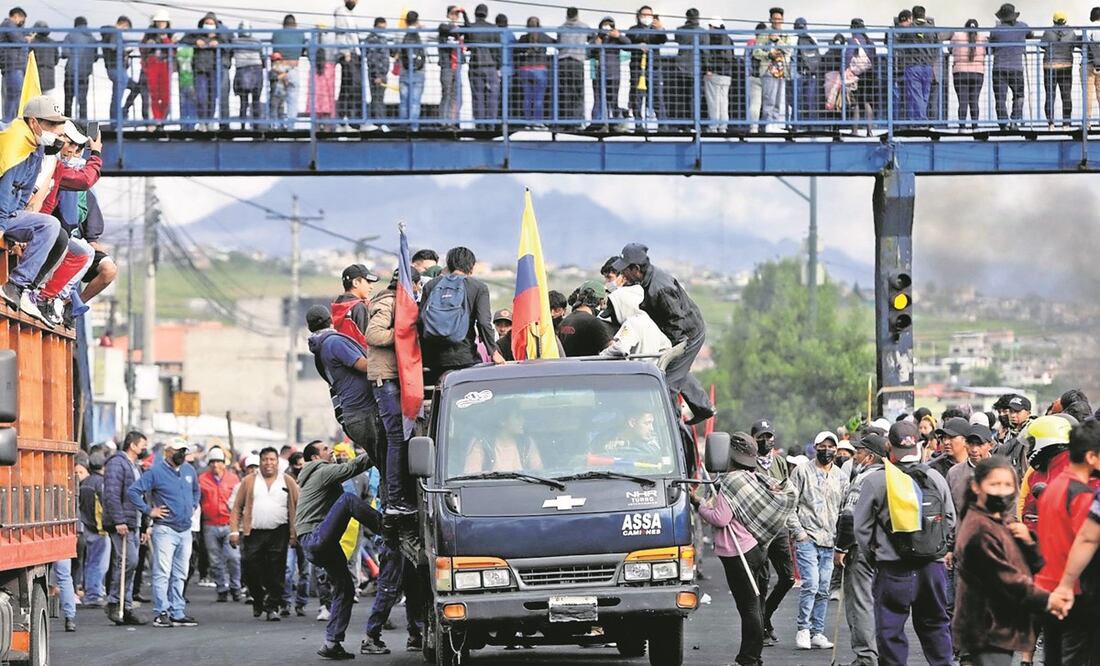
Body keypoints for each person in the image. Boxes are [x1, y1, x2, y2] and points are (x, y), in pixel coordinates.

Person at [854, 421, 955, 666]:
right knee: (936, 627)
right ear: (919, 446)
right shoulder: (935, 477)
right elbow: (950, 520)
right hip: (932, 568)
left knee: (890, 633)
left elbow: (861, 529)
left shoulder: (876, 481)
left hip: (893, 569)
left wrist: (874, 557)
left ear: (889, 446)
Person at [953, 456, 1058, 666]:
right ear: (976, 487)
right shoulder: (979, 529)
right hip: (986, 628)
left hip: (1002, 627)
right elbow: (1006, 579)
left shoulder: (1003, 522)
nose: (1002, 491)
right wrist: (1050, 600)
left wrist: (1028, 542)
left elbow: (1035, 564)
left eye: (1008, 485)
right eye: (994, 484)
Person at [295, 440, 382, 660]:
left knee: (345, 588)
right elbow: (352, 468)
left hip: (320, 543)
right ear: (315, 457)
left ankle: (331, 643)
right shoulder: (320, 471)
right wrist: (378, 448)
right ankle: (386, 527)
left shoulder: (314, 474)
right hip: (315, 538)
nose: (331, 451)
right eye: (325, 449)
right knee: (348, 500)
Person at [612, 243, 714, 424]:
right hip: (678, 331)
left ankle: (673, 428)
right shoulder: (647, 279)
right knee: (677, 370)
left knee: (668, 385)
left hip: (687, 335)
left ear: (636, 269)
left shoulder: (660, 288)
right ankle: (703, 406)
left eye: (625, 270)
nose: (622, 275)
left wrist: (669, 350)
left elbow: (677, 323)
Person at [693, 432, 768, 666]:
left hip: (737, 551)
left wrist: (701, 505)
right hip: (754, 546)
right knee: (754, 603)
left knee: (748, 606)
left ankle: (749, 657)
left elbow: (721, 518)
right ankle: (753, 656)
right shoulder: (751, 477)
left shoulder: (730, 482)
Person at [1035, 419, 1100, 665]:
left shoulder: (1054, 487)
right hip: (1073, 594)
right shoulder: (1082, 496)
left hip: (1048, 587)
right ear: (1092, 457)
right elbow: (1087, 541)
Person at [0, 95, 65, 323]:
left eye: (57, 124)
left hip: (8, 214)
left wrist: (18, 224)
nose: (57, 130)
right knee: (50, 224)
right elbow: (4, 189)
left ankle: (28, 291)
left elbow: (23, 195)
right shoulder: (15, 142)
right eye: (51, 124)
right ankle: (16, 285)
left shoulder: (36, 148)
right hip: (0, 214)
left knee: (59, 236)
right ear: (34, 122)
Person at [127, 438, 201, 629]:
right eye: (178, 451)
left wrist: (192, 505)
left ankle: (177, 612)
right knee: (162, 573)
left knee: (180, 574)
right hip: (165, 529)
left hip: (185, 529)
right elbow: (134, 491)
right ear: (167, 452)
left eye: (184, 451)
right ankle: (161, 612)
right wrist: (149, 510)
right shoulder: (155, 472)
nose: (181, 454)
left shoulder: (189, 470)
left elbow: (196, 491)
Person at [365, 267, 421, 515]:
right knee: (396, 439)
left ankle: (396, 497)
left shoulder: (393, 301)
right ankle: (395, 499)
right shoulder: (387, 302)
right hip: (385, 380)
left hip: (393, 379)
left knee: (399, 439)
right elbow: (373, 334)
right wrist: (403, 336)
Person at [788, 430, 848, 650]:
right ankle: (803, 629)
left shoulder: (841, 476)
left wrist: (842, 541)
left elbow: (843, 510)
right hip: (808, 537)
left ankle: (818, 632)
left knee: (823, 587)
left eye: (831, 446)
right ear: (815, 447)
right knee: (811, 584)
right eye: (822, 446)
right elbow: (789, 505)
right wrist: (799, 533)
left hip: (830, 540)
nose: (827, 450)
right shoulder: (802, 471)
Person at [835, 431, 888, 666]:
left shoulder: (863, 478)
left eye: (859, 453)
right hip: (886, 548)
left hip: (861, 547)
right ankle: (882, 652)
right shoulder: (892, 477)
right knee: (881, 602)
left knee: (860, 602)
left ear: (870, 457)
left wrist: (840, 548)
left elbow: (849, 517)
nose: (855, 457)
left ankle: (866, 656)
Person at [230, 446, 299, 622]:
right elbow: (237, 507)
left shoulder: (287, 481)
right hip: (253, 532)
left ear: (277, 462)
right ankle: (258, 598)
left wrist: (295, 533)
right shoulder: (249, 481)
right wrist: (234, 531)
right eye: (265, 460)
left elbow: (299, 507)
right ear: (260, 462)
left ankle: (272, 607)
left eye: (272, 460)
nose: (268, 463)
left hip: (279, 531)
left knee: (276, 570)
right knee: (250, 567)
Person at [306, 306, 381, 463]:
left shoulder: (320, 348)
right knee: (390, 466)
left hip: (354, 415)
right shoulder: (334, 342)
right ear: (331, 320)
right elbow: (366, 366)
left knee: (385, 467)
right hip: (365, 413)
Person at [418, 246, 503, 385]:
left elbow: (421, 320)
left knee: (439, 400)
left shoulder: (432, 285)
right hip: (464, 356)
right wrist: (493, 352)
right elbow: (483, 322)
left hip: (433, 359)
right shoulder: (478, 287)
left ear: (449, 264)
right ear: (471, 266)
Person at [751, 419, 796, 646]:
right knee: (762, 580)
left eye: (769, 436)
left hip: (779, 527)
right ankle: (760, 629)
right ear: (754, 440)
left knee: (788, 578)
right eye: (762, 437)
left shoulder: (779, 461)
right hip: (758, 530)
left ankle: (765, 616)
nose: (767, 440)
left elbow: (786, 489)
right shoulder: (747, 463)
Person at [102, 431, 149, 625]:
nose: (144, 448)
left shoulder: (134, 466)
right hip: (122, 522)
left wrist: (145, 525)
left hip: (134, 521)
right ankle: (115, 601)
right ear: (133, 445)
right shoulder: (117, 463)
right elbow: (111, 493)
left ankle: (125, 605)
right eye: (142, 445)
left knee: (131, 563)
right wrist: (119, 520)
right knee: (128, 561)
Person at [198, 446, 241, 602]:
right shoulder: (202, 479)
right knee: (215, 560)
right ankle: (221, 588)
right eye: (213, 462)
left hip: (229, 523)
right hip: (210, 524)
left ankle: (236, 587)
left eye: (219, 462)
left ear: (224, 463)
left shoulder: (233, 479)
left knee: (233, 557)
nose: (216, 465)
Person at [989, 3, 1033, 131]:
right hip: (1016, 68)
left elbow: (991, 44)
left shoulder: (996, 30)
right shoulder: (1022, 26)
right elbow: (1031, 34)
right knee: (1019, 95)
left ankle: (1003, 123)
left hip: (999, 68)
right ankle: (1015, 121)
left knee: (1000, 97)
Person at [600, 282, 668, 357]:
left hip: (637, 367)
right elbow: (667, 346)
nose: (612, 318)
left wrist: (603, 354)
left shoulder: (631, 323)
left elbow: (621, 348)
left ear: (622, 309)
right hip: (651, 367)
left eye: (613, 314)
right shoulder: (647, 321)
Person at [78, 450, 110, 608]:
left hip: (87, 527)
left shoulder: (85, 483)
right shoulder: (101, 483)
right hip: (100, 529)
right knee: (100, 564)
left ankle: (91, 592)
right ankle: (94, 595)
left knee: (90, 562)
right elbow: (103, 506)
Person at [464, 409, 543, 473]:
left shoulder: (527, 443)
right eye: (517, 417)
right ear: (502, 421)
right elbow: (471, 476)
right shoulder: (481, 443)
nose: (522, 420)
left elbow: (538, 474)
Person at [626, 6, 666, 132]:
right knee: (637, 96)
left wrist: (661, 29)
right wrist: (637, 46)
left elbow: (663, 40)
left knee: (657, 95)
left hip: (654, 67)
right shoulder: (633, 30)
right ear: (639, 16)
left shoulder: (656, 29)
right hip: (637, 68)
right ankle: (639, 124)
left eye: (650, 15)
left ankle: (663, 123)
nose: (647, 18)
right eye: (644, 15)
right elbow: (626, 45)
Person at [753, 8, 792, 132]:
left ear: (783, 20)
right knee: (769, 98)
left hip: (782, 70)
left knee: (778, 99)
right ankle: (768, 123)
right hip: (768, 70)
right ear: (770, 20)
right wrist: (768, 55)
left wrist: (777, 40)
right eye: (774, 19)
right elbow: (756, 52)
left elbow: (788, 50)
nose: (777, 22)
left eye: (779, 19)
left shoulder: (785, 35)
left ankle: (775, 123)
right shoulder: (764, 34)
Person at [588, 16, 629, 129]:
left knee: (613, 99)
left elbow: (628, 45)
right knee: (598, 99)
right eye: (604, 25)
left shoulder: (616, 39)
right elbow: (588, 52)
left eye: (609, 25)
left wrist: (619, 36)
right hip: (598, 74)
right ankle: (596, 122)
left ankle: (614, 122)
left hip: (614, 74)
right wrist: (597, 43)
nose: (607, 27)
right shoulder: (596, 38)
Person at [947, 423, 995, 515]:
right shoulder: (954, 473)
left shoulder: (1003, 472)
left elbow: (1012, 509)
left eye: (979, 444)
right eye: (971, 444)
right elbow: (949, 511)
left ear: (990, 445)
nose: (974, 449)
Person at [467, 4, 500, 131]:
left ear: (476, 14)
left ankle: (480, 124)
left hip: (476, 65)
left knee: (478, 96)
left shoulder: (471, 27)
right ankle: (491, 124)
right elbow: (498, 49)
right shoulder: (494, 28)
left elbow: (468, 44)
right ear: (486, 14)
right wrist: (498, 65)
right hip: (491, 66)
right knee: (492, 96)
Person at [515, 17, 553, 127]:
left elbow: (516, 50)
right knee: (539, 98)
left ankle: (527, 121)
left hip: (525, 70)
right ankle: (538, 121)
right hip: (540, 70)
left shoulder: (523, 38)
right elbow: (556, 42)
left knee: (527, 97)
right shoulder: (543, 36)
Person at [1041, 12, 1076, 129]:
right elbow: (1073, 45)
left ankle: (1051, 122)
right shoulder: (1071, 32)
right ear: (1065, 21)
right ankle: (1066, 122)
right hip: (1066, 66)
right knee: (1066, 95)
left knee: (1050, 95)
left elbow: (1042, 45)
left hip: (1049, 66)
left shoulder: (1047, 32)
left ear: (1054, 21)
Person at [557, 280, 611, 356]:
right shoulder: (593, 323)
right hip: (587, 367)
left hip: (567, 366)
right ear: (600, 301)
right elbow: (611, 350)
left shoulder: (565, 321)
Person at [270, 14, 305, 126]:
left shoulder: (276, 34)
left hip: (279, 68)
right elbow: (303, 50)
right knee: (293, 99)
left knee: (277, 100)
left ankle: (276, 126)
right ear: (295, 24)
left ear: (283, 24)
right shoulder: (301, 34)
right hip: (293, 68)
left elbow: (274, 49)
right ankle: (291, 126)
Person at [951, 19, 986, 131]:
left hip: (960, 73)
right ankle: (975, 127)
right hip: (977, 73)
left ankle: (962, 127)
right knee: (974, 100)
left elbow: (951, 49)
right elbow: (987, 50)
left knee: (962, 101)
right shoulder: (982, 38)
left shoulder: (957, 36)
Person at [557, 7, 589, 129]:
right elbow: (593, 38)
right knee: (578, 92)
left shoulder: (561, 28)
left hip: (563, 61)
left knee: (564, 92)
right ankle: (576, 121)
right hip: (577, 61)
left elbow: (559, 44)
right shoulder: (584, 27)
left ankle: (565, 121)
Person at [332, 263, 379, 346]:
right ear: (355, 283)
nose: (371, 287)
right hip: (358, 356)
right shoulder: (359, 307)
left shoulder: (337, 304)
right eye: (368, 282)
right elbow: (364, 340)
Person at [437, 7, 468, 129]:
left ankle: (452, 121)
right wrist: (456, 28)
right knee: (447, 93)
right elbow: (445, 28)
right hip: (447, 65)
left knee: (456, 95)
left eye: (457, 14)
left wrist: (464, 13)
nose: (455, 16)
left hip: (458, 65)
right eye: (453, 14)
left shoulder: (460, 29)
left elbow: (469, 27)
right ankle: (443, 122)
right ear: (448, 15)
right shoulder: (444, 27)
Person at [141, 11, 174, 124]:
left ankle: (162, 119)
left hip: (165, 65)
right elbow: (142, 47)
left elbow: (173, 51)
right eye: (159, 21)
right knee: (154, 94)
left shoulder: (171, 33)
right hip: (152, 63)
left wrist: (165, 40)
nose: (161, 24)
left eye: (163, 21)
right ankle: (157, 119)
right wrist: (148, 44)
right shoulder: (149, 33)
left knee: (165, 96)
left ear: (167, 22)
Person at [60, 16, 96, 120]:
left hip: (71, 72)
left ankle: (67, 125)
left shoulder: (70, 36)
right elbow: (95, 57)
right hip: (85, 73)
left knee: (68, 100)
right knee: (83, 100)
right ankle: (83, 124)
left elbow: (65, 53)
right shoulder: (92, 38)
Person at [334, 0, 362, 130]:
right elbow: (341, 34)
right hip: (348, 54)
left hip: (354, 53)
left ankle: (349, 118)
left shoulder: (350, 14)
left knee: (352, 86)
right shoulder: (341, 13)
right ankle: (344, 118)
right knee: (349, 86)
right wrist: (345, 51)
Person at [702, 17, 733, 133]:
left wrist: (708, 69)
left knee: (713, 101)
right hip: (726, 75)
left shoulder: (709, 37)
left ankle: (713, 127)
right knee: (724, 101)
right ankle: (723, 127)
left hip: (713, 73)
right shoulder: (728, 38)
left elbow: (706, 54)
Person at [233, 22, 264, 128]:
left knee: (243, 101)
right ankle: (256, 126)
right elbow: (262, 56)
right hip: (257, 69)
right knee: (256, 100)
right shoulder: (257, 41)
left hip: (242, 70)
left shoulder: (235, 42)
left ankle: (242, 125)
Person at [398, 11, 426, 131]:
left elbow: (395, 51)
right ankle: (414, 128)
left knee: (404, 101)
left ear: (406, 21)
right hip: (419, 72)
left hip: (404, 70)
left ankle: (404, 127)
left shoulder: (399, 35)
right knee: (415, 101)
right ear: (417, 20)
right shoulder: (422, 34)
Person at [0, 6, 29, 122]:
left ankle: (10, 121)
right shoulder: (8, 25)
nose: (22, 23)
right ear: (16, 16)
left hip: (12, 66)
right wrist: (27, 39)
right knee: (14, 96)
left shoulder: (8, 26)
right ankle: (9, 123)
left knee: (13, 96)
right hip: (13, 65)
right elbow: (19, 40)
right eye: (22, 20)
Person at [365, 17, 390, 127]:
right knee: (377, 98)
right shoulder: (373, 39)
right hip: (377, 74)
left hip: (383, 73)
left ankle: (378, 123)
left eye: (384, 28)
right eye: (380, 28)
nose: (382, 30)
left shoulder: (382, 38)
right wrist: (378, 75)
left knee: (379, 98)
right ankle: (378, 124)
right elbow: (373, 59)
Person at [30, 21, 57, 100]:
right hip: (50, 77)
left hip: (36, 75)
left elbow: (29, 59)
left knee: (35, 104)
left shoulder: (33, 43)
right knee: (48, 103)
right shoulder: (53, 43)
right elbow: (56, 60)